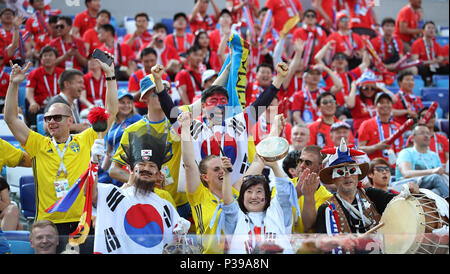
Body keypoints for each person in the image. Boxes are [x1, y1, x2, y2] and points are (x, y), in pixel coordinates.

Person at [3, 55, 118, 254]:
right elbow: (11, 118)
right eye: (48, 118)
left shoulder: (83, 139)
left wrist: (110, 76)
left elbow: (111, 112)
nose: (51, 122)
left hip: (81, 222)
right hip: (48, 224)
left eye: (57, 117)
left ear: (69, 120)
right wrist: (13, 85)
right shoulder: (38, 144)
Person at [90, 119, 190, 254]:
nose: (146, 169)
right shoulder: (115, 195)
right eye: (141, 165)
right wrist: (93, 163)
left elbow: (175, 246)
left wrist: (180, 237)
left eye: (152, 166)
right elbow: (90, 192)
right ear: (131, 170)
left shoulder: (167, 208)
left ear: (159, 175)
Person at [108, 68, 189, 221]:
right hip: (149, 201)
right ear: (144, 97)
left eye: (164, 90)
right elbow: (114, 170)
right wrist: (141, 179)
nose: (160, 93)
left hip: (183, 203)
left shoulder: (179, 125)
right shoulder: (133, 130)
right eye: (155, 91)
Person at [315, 138, 419, 253]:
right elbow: (327, 248)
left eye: (352, 170)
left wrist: (410, 191)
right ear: (333, 179)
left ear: (358, 175)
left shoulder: (373, 195)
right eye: (340, 172)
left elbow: (400, 204)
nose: (347, 176)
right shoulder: (326, 209)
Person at [179, 110, 240, 254]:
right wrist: (186, 127)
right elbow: (189, 164)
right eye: (216, 169)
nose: (221, 171)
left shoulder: (236, 192)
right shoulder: (198, 195)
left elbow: (255, 162)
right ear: (205, 177)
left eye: (223, 168)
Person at [222, 155, 297, 254]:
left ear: (267, 195)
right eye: (249, 191)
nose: (254, 196)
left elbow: (284, 193)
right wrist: (226, 174)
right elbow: (228, 202)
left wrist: (275, 166)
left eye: (259, 191)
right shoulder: (237, 214)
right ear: (242, 196)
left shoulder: (277, 211)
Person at [395, 124, 449, 198]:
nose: (426, 136)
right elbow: (406, 173)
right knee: (435, 178)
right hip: (409, 186)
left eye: (428, 133)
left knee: (436, 191)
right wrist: (432, 171)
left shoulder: (434, 155)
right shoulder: (406, 152)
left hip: (427, 189)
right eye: (422, 133)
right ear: (413, 137)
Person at [101, 89, 141, 186]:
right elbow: (109, 153)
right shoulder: (110, 124)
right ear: (115, 104)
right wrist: (101, 171)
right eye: (122, 102)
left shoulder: (137, 119)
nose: (127, 105)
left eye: (129, 102)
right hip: (114, 168)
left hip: (130, 167)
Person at [290, 145, 333, 233]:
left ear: (321, 167)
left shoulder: (327, 197)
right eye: (300, 161)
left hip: (308, 245)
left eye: (308, 163)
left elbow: (308, 225)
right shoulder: (284, 185)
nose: (302, 166)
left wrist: (308, 196)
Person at [358, 91, 403, 164]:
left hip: (396, 166)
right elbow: (359, 149)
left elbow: (400, 148)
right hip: (375, 168)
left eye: (388, 102)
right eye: (381, 102)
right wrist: (376, 147)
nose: (385, 105)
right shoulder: (366, 124)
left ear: (392, 106)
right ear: (375, 106)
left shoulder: (397, 126)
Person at [25, 46, 64, 129]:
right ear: (41, 59)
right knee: (31, 107)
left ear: (56, 59)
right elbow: (29, 92)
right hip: (40, 107)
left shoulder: (62, 73)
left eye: (50, 55)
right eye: (45, 55)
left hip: (59, 107)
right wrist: (32, 102)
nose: (48, 58)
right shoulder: (34, 73)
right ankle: (34, 128)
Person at [44, 69, 90, 133]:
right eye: (79, 82)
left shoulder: (73, 102)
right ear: (67, 84)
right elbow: (47, 126)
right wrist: (77, 127)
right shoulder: (56, 103)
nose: (83, 86)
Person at [411, 21, 448, 86]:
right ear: (423, 31)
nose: (431, 30)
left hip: (434, 67)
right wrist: (430, 62)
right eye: (429, 28)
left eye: (433, 28)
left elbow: (439, 59)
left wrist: (440, 61)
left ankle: (442, 85)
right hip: (424, 68)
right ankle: (426, 84)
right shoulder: (417, 43)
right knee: (422, 68)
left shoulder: (436, 44)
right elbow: (415, 61)